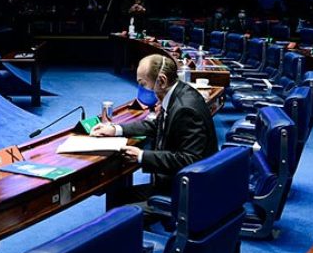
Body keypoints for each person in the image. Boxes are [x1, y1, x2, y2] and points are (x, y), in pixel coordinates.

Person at [91, 54, 218, 211]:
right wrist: (116, 129)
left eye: (143, 83)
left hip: (189, 192)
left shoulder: (185, 109)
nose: (141, 89)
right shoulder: (179, 92)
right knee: (116, 196)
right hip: (178, 183)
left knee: (119, 209)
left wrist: (141, 156)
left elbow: (190, 160)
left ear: (162, 81)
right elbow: (156, 125)